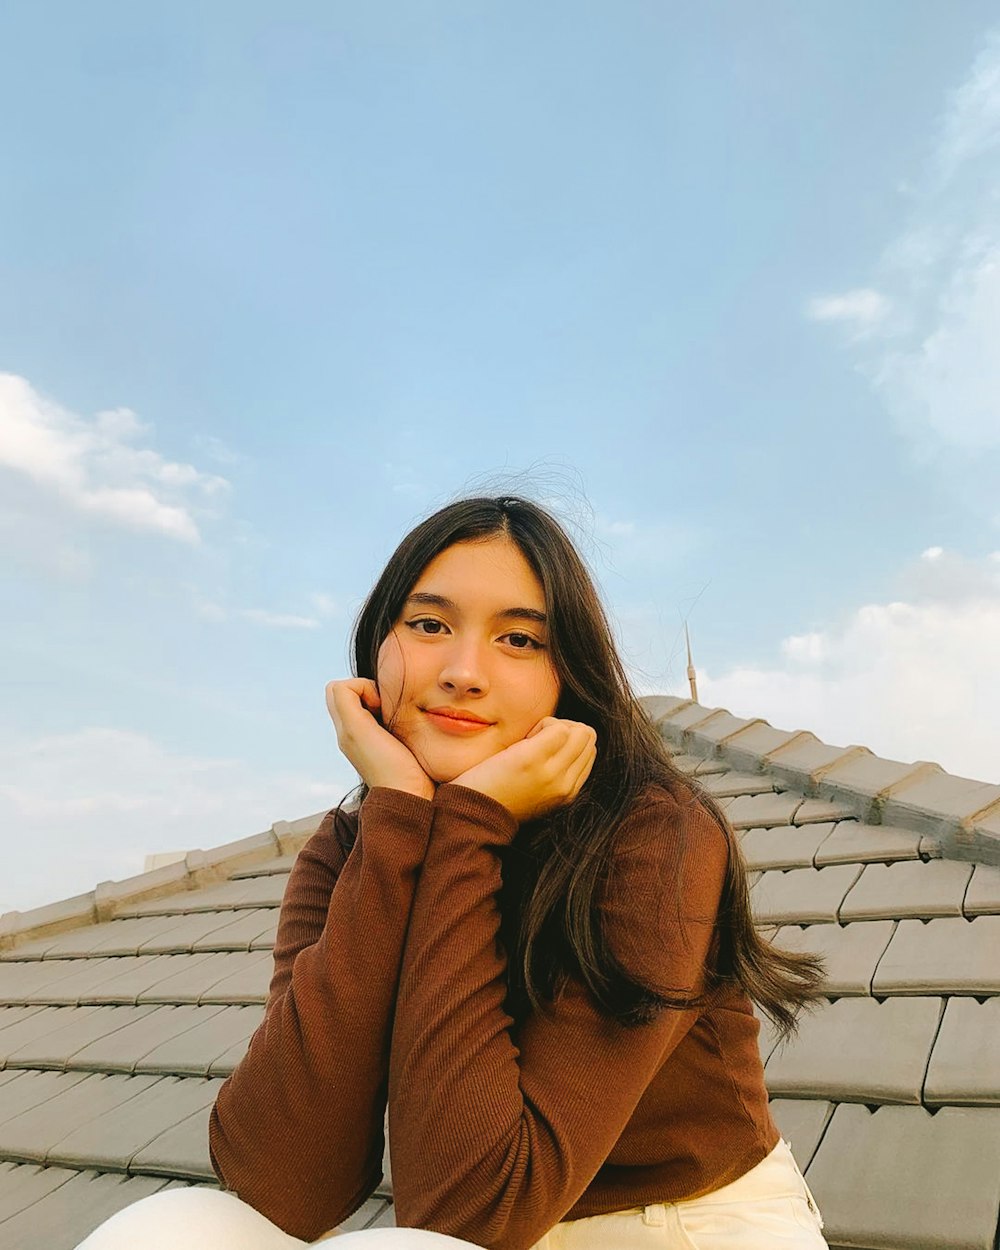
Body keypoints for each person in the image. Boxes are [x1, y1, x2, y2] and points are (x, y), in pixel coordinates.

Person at [77, 494, 828, 1250]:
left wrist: (469, 826)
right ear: (377, 646)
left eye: (520, 639)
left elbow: (474, 1211)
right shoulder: (350, 850)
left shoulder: (653, 833)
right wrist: (403, 817)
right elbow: (285, 1186)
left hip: (680, 1228)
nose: (465, 672)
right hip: (457, 1231)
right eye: (430, 625)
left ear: (567, 672)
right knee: (171, 1229)